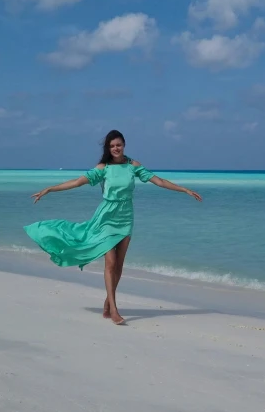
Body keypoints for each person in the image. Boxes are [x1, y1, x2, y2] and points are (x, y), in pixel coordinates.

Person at [24, 129, 202, 325]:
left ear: (124, 145)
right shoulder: (104, 168)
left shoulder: (133, 166)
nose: (116, 148)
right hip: (107, 217)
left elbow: (158, 181)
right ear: (108, 148)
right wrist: (49, 189)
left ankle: (108, 301)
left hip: (126, 217)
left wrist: (184, 189)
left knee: (119, 264)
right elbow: (77, 182)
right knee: (110, 262)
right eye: (112, 146)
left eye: (119, 144)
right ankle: (115, 310)